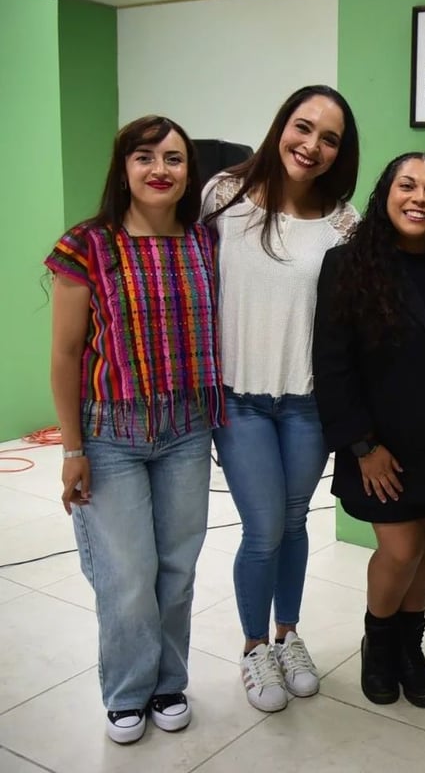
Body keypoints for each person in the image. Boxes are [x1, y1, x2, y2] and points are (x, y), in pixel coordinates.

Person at [46, 115, 224, 744]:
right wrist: (72, 448)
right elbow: (66, 355)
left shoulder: (204, 242)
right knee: (127, 576)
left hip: (185, 428)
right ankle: (126, 692)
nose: (160, 170)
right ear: (124, 169)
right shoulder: (86, 246)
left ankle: (168, 683)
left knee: (177, 568)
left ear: (188, 173)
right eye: (145, 157)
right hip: (109, 431)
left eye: (174, 159)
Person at [200, 85, 360, 713]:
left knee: (293, 525)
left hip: (308, 404)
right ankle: (252, 649)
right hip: (239, 398)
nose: (312, 145)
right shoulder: (224, 195)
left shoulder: (344, 222)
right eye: (303, 127)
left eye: (330, 138)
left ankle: (288, 635)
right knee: (263, 528)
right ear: (280, 126)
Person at [312, 152, 425, 709]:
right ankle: (378, 644)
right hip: (380, 444)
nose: (419, 199)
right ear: (386, 193)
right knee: (400, 547)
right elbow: (331, 365)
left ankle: (410, 647)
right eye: (408, 186)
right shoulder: (348, 264)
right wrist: (362, 446)